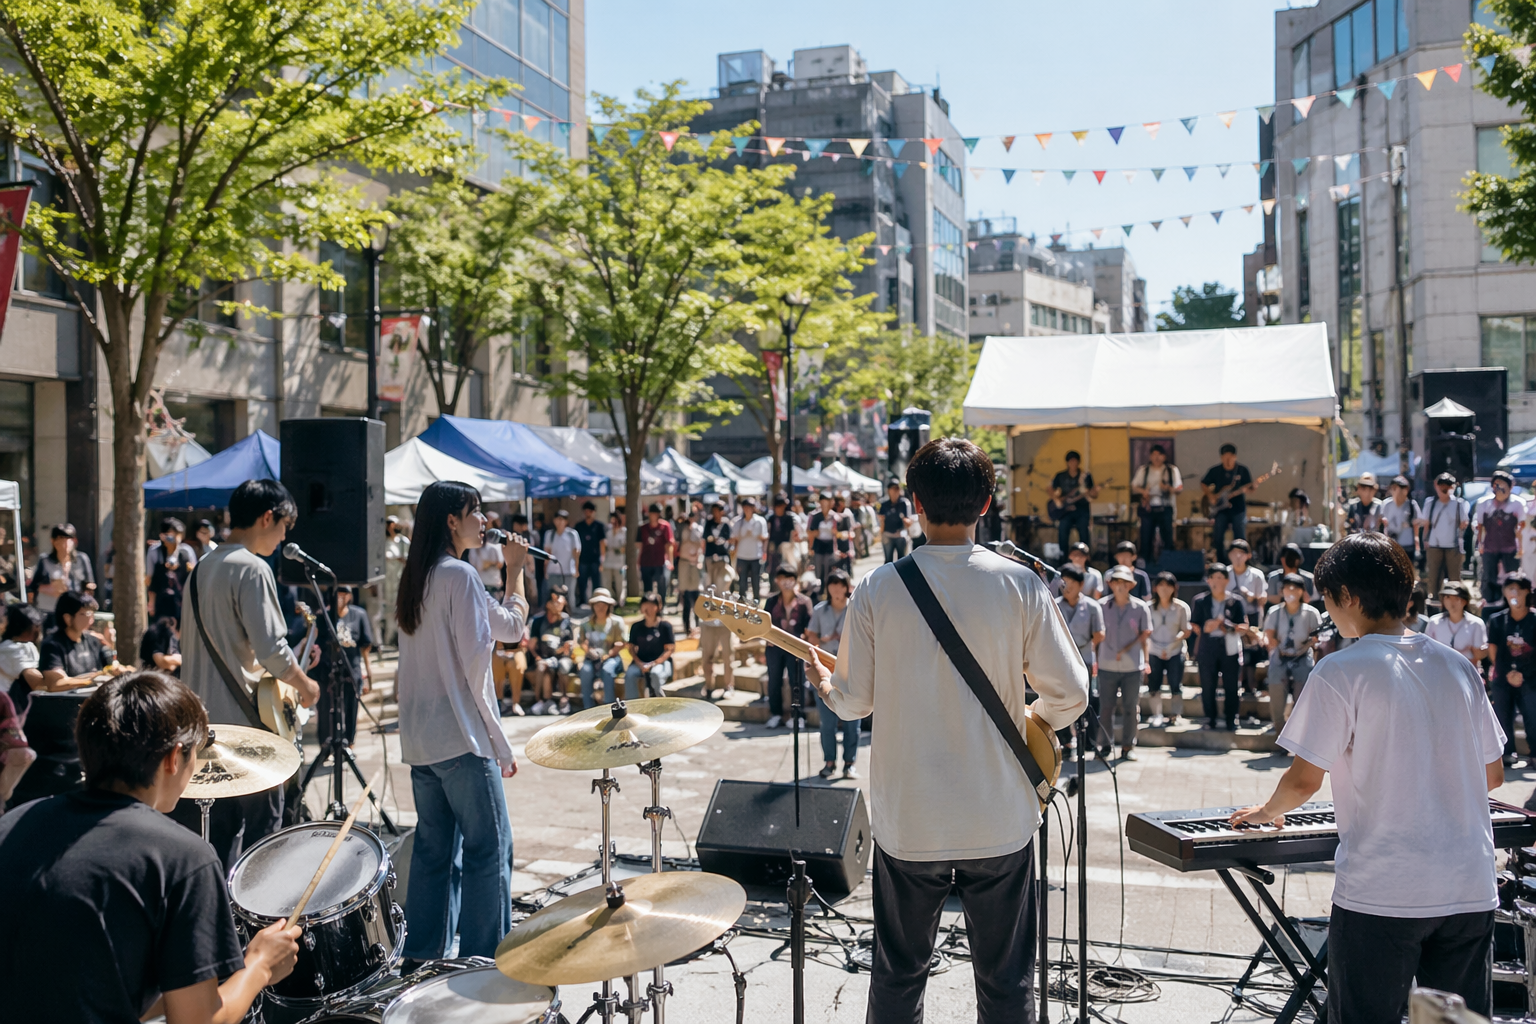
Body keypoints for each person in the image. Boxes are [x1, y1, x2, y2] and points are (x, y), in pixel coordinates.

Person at [803, 437, 1088, 1024]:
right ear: (987, 504)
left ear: (914, 503)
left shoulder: (878, 588)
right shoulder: (1021, 585)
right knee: (1007, 984)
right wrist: (1034, 722)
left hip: (910, 821)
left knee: (898, 977)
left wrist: (824, 684)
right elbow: (1073, 693)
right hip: (1000, 817)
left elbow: (854, 704)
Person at [1230, 534, 1506, 1023]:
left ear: (1350, 597)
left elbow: (1301, 783)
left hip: (1385, 890)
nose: (1327, 609)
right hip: (1470, 883)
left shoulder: (1341, 671)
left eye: (1328, 598)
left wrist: (1263, 814)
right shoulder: (1458, 665)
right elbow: (1492, 773)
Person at [0, 671, 303, 1024]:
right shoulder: (182, 859)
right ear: (174, 758)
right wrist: (260, 966)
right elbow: (197, 1022)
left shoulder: (12, 826)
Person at [394, 480, 528, 966]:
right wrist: (515, 576)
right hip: (462, 741)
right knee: (489, 851)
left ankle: (421, 958)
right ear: (453, 520)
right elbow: (482, 660)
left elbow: (505, 626)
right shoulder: (459, 577)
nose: (485, 520)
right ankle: (481, 961)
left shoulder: (421, 575)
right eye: (477, 512)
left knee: (434, 854)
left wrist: (511, 580)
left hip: (422, 742)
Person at [177, 479, 319, 868]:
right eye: (284, 526)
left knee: (218, 841)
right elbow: (272, 651)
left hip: (204, 732)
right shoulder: (252, 568)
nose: (284, 536)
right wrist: (306, 685)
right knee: (263, 849)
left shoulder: (200, 569)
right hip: (250, 736)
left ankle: (219, 923)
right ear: (267, 517)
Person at [12, 592, 125, 807]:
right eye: (84, 613)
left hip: (97, 712)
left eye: (91, 613)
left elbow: (112, 665)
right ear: (67, 617)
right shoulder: (53, 643)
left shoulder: (92, 641)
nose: (90, 618)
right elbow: (55, 682)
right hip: (62, 720)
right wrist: (93, 677)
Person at [805, 568, 858, 779]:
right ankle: (829, 761)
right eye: (832, 584)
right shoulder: (820, 610)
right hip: (825, 669)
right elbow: (811, 636)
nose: (836, 589)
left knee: (852, 721)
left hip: (849, 671)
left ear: (847, 587)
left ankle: (849, 763)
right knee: (826, 722)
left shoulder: (856, 609)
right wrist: (820, 646)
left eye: (840, 584)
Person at [1098, 564, 1152, 760]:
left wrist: (1146, 661)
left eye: (1124, 582)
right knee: (1106, 707)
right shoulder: (1101, 606)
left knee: (1130, 707)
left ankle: (1128, 746)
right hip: (1106, 664)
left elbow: (1146, 634)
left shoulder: (1141, 607)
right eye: (1116, 582)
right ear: (1110, 584)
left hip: (1132, 666)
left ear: (1131, 585)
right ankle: (1104, 746)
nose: (1120, 586)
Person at [1191, 563, 1250, 731]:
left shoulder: (1235, 601)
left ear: (1226, 580)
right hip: (1208, 646)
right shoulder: (1200, 601)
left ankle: (1232, 719)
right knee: (1208, 684)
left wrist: (1228, 625)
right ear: (1208, 581)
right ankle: (1210, 718)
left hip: (1229, 645)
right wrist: (1205, 627)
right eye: (1213, 577)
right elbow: (1194, 625)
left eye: (1220, 577)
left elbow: (1244, 625)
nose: (1216, 581)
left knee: (1231, 684)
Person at [314, 585, 374, 746]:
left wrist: (367, 672)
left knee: (350, 707)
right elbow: (316, 642)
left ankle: (349, 741)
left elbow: (365, 645)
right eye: (338, 593)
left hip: (351, 668)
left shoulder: (358, 614)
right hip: (328, 669)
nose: (341, 597)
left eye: (345, 593)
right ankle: (326, 743)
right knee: (327, 708)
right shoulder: (324, 615)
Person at [1487, 573, 1536, 768]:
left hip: (1531, 678)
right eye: (1509, 589)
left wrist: (1524, 674)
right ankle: (1507, 755)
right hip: (1503, 676)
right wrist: (1507, 672)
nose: (1514, 593)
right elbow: (1492, 649)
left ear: (1526, 592)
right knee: (1502, 716)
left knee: (1532, 716)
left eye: (1518, 589)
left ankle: (1534, 754)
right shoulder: (1497, 620)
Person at [1054, 563, 1104, 754]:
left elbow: (1099, 634)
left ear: (1081, 584)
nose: (1066, 587)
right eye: (1063, 583)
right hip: (1060, 661)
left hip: (1085, 659)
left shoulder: (1092, 606)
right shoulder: (1055, 605)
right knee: (1060, 701)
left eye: (1071, 583)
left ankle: (1089, 741)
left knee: (1088, 701)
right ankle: (1065, 742)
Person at [1263, 574, 1321, 732]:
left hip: (1302, 655)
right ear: (1281, 591)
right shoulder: (1274, 612)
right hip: (1281, 656)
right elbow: (1268, 634)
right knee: (1275, 694)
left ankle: (1297, 735)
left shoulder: (1311, 613)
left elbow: (1317, 638)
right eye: (1287, 587)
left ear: (1302, 591)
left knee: (1302, 697)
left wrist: (1313, 642)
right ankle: (1279, 733)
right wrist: (1270, 642)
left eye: (1295, 588)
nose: (1291, 591)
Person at [763, 565, 813, 728]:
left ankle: (798, 715)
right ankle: (775, 713)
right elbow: (764, 624)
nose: (787, 583)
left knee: (797, 681)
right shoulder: (771, 601)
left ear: (795, 581)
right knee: (774, 681)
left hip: (796, 647)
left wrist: (806, 640)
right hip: (774, 647)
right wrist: (767, 637)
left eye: (790, 579)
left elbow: (810, 626)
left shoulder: (804, 602)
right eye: (783, 579)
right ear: (777, 580)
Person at [1227, 539, 1269, 720]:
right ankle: (1235, 685)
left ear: (1248, 556)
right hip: (1230, 619)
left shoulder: (1256, 575)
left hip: (1251, 618)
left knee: (1250, 654)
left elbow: (1263, 600)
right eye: (1234, 553)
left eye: (1241, 553)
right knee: (1234, 652)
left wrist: (1252, 596)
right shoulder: (1224, 574)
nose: (1237, 556)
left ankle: (1250, 687)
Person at [1146, 572, 1190, 727]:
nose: (1164, 589)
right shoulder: (1148, 607)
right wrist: (1157, 647)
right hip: (1154, 650)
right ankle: (1156, 714)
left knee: (1175, 684)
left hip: (1175, 650)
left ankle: (1175, 715)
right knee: (1154, 684)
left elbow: (1185, 630)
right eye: (1161, 585)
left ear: (1174, 588)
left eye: (1168, 585)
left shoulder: (1181, 607)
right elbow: (1146, 631)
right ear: (1155, 588)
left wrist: (1171, 644)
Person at [1476, 471, 1526, 607]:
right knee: (1489, 576)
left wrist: (1521, 547)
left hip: (1510, 547)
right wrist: (1479, 544)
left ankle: (1511, 604)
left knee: (1512, 578)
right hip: (1490, 546)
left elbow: (1522, 526)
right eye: (1497, 484)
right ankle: (1489, 604)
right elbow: (1479, 526)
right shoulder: (1484, 504)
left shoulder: (1518, 504)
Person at [1419, 473, 1471, 599]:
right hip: (1434, 544)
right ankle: (1435, 600)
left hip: (1453, 545)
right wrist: (1425, 540)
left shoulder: (1459, 504)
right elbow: (1426, 524)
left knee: (1454, 578)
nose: (1444, 488)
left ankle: (1455, 598)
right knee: (1434, 576)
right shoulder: (1430, 503)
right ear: (1436, 486)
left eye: (1448, 485)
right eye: (1441, 485)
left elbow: (1464, 523)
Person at [525, 585, 575, 716]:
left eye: (559, 602)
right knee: (543, 668)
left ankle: (564, 699)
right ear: (547, 604)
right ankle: (541, 701)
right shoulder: (538, 621)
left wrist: (568, 647)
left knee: (562, 665)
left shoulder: (565, 621)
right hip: (544, 657)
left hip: (561, 657)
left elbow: (570, 643)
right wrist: (538, 658)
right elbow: (532, 645)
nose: (557, 605)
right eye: (554, 601)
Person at [32, 523, 96, 621]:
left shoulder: (82, 559)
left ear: (74, 541)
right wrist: (52, 589)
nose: (65, 543)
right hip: (49, 611)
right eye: (60, 539)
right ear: (53, 541)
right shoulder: (45, 561)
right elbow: (34, 586)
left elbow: (89, 584)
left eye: (69, 539)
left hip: (74, 612)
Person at [1201, 443, 1255, 556]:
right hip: (1221, 510)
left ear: (1235, 457)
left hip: (1238, 508)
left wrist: (1250, 488)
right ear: (1221, 458)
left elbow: (1250, 487)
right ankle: (1221, 560)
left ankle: (1241, 559)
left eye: (1230, 457)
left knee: (1239, 536)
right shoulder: (1215, 470)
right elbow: (1203, 483)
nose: (1228, 460)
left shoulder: (1242, 470)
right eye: (1225, 457)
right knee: (1218, 535)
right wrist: (1211, 496)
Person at [1131, 444, 1182, 560]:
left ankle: (1168, 563)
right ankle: (1147, 564)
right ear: (1150, 457)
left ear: (1164, 457)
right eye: (1154, 455)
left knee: (1167, 539)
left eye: (1159, 455)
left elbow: (1179, 488)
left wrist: (1167, 488)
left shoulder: (1171, 470)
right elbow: (1134, 486)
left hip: (1165, 507)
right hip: (1148, 508)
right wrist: (1143, 491)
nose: (1156, 458)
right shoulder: (1144, 470)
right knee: (1146, 538)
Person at [578, 589, 626, 709]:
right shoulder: (585, 623)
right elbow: (582, 642)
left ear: (609, 606)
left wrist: (608, 655)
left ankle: (609, 705)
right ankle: (587, 707)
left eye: (604, 605)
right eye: (597, 605)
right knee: (585, 671)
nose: (600, 607)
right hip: (591, 658)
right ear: (592, 606)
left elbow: (622, 643)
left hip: (612, 658)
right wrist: (589, 651)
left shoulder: (617, 622)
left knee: (607, 669)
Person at [146, 516, 198, 625]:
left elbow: (194, 574)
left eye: (178, 534)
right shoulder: (155, 552)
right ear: (163, 535)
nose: (175, 538)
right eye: (171, 534)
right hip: (161, 601)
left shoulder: (186, 551)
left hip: (181, 600)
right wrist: (151, 602)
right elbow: (150, 579)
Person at [1426, 580, 1488, 667]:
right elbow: (1427, 650)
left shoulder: (1476, 623)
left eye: (1456, 598)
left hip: (1466, 672)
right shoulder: (1434, 622)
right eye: (1447, 597)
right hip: (1440, 671)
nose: (1451, 601)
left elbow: (1478, 655)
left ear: (1464, 601)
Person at [625, 592, 675, 699]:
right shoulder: (636, 627)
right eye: (645, 605)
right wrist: (640, 663)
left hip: (661, 663)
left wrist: (653, 664)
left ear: (658, 607)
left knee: (655, 674)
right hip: (640, 662)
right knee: (630, 674)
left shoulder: (665, 626)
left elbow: (669, 650)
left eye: (652, 605)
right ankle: (632, 706)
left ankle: (661, 703)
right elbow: (631, 648)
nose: (649, 608)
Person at [1050, 449, 1098, 553]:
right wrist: (1059, 501)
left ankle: (1085, 556)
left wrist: (1093, 492)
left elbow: (1092, 494)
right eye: (1070, 461)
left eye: (1075, 461)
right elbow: (1054, 492)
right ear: (1067, 462)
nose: (1073, 463)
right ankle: (1063, 556)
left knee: (1084, 531)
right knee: (1063, 529)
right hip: (1066, 511)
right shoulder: (1060, 476)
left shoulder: (1085, 476)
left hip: (1082, 509)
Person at [541, 509, 581, 606]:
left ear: (566, 521)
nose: (559, 522)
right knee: (553, 595)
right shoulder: (550, 534)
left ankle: (570, 615)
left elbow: (576, 553)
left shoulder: (572, 534)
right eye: (557, 519)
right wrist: (545, 570)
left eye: (562, 519)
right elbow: (547, 553)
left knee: (569, 595)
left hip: (568, 570)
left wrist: (576, 569)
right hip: (553, 570)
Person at [381, 515, 410, 647]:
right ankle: (387, 639)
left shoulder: (403, 542)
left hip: (401, 580)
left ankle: (400, 639)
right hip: (387, 581)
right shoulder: (383, 543)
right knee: (387, 611)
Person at [733, 497, 770, 602]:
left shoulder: (760, 521)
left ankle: (756, 601)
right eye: (746, 507)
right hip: (742, 555)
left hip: (756, 555)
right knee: (742, 581)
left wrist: (755, 535)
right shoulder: (738, 522)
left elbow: (765, 537)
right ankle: (742, 602)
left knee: (756, 580)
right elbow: (734, 538)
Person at [675, 508, 704, 635]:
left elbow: (702, 545)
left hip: (695, 563)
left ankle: (698, 625)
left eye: (693, 515)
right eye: (689, 515)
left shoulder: (700, 529)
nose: (691, 518)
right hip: (684, 562)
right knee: (686, 596)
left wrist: (699, 559)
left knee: (696, 595)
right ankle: (686, 626)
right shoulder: (681, 527)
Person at [637, 504, 674, 605]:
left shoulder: (665, 526)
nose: (654, 516)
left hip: (660, 561)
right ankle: (647, 606)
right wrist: (638, 561)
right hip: (646, 561)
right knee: (647, 588)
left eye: (656, 513)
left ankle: (661, 606)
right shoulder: (643, 528)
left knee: (662, 586)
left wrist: (670, 561)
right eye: (652, 513)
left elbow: (669, 545)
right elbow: (639, 545)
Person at [807, 493, 841, 595]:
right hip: (819, 545)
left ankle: (827, 591)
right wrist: (813, 539)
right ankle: (820, 591)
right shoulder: (815, 516)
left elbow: (838, 532)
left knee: (828, 569)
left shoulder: (834, 517)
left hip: (830, 546)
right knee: (819, 569)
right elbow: (810, 531)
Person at [573, 501, 606, 607]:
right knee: (582, 581)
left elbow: (602, 543)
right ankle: (582, 600)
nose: (588, 513)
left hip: (595, 559)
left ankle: (596, 600)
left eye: (590, 511)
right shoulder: (579, 526)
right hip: (582, 559)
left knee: (596, 582)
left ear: (594, 512)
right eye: (586, 511)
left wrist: (602, 559)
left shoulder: (599, 526)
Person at [468, 510, 506, 599]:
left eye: (490, 520)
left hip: (494, 584)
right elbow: (472, 562)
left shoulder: (497, 542)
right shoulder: (475, 543)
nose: (486, 522)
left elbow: (500, 563)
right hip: (480, 584)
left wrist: (487, 564)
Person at [1382, 475, 1421, 556]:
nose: (1398, 491)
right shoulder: (1386, 504)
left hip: (1408, 544)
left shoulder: (1411, 504)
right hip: (1391, 544)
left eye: (1402, 488)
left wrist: (1417, 545)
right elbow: (1384, 523)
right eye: (1394, 488)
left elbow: (1417, 524)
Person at [879, 479, 915, 564]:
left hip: (900, 534)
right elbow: (881, 520)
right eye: (893, 489)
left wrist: (907, 521)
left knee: (901, 560)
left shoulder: (904, 503)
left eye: (897, 489)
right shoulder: (884, 504)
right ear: (888, 490)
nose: (895, 491)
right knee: (888, 561)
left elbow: (909, 519)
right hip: (887, 533)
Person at [766, 493, 799, 578]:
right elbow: (769, 533)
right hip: (773, 546)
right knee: (773, 567)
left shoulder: (789, 518)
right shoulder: (771, 518)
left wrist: (791, 546)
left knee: (786, 567)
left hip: (786, 547)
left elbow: (792, 532)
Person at [601, 511, 627, 602]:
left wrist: (618, 549)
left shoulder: (624, 531)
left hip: (619, 562)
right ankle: (609, 600)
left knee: (619, 583)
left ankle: (620, 601)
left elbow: (625, 547)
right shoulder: (607, 531)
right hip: (607, 561)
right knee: (607, 583)